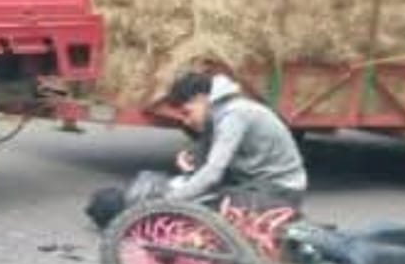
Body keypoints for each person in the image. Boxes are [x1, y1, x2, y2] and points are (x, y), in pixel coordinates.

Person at [85, 69, 307, 228]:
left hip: (278, 191)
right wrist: (192, 162)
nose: (186, 121)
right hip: (254, 183)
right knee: (188, 198)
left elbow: (212, 173)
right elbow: (206, 161)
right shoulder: (218, 113)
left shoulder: (234, 114)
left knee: (197, 215)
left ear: (201, 98)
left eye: (186, 112)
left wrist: (167, 203)